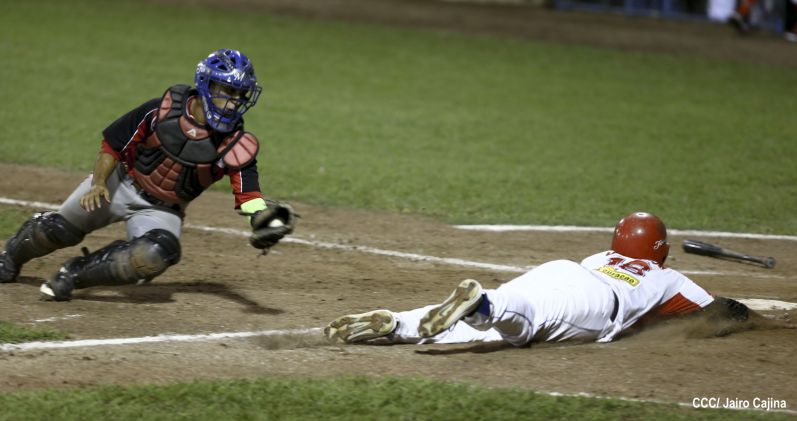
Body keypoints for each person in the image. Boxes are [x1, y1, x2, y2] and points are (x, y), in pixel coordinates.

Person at [0, 49, 295, 301]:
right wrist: (100, 182)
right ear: (206, 85)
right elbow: (112, 145)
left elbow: (248, 195)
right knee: (58, 230)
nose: (233, 102)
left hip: (162, 209)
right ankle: (9, 257)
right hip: (120, 183)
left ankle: (74, 274)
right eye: (227, 92)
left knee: (156, 254)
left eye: (240, 95)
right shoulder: (161, 111)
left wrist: (259, 217)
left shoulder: (237, 144)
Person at [324, 212, 753, 346]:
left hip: (565, 269)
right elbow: (727, 313)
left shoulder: (601, 254)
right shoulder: (669, 277)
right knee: (523, 325)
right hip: (599, 303)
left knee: (501, 319)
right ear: (659, 250)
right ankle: (484, 307)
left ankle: (400, 324)